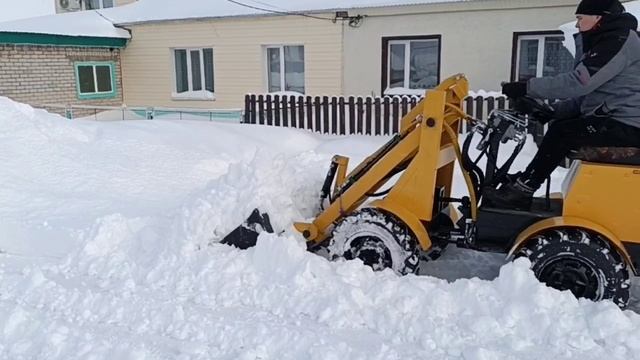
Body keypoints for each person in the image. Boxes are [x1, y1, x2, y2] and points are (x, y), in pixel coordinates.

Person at [484, 0, 640, 210]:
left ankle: (523, 191)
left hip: (629, 124)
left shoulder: (618, 40)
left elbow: (579, 83)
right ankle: (525, 183)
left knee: (563, 132)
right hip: (617, 117)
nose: (577, 25)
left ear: (598, 17)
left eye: (579, 18)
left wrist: (526, 87)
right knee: (563, 127)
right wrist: (554, 111)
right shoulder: (609, 39)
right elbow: (592, 96)